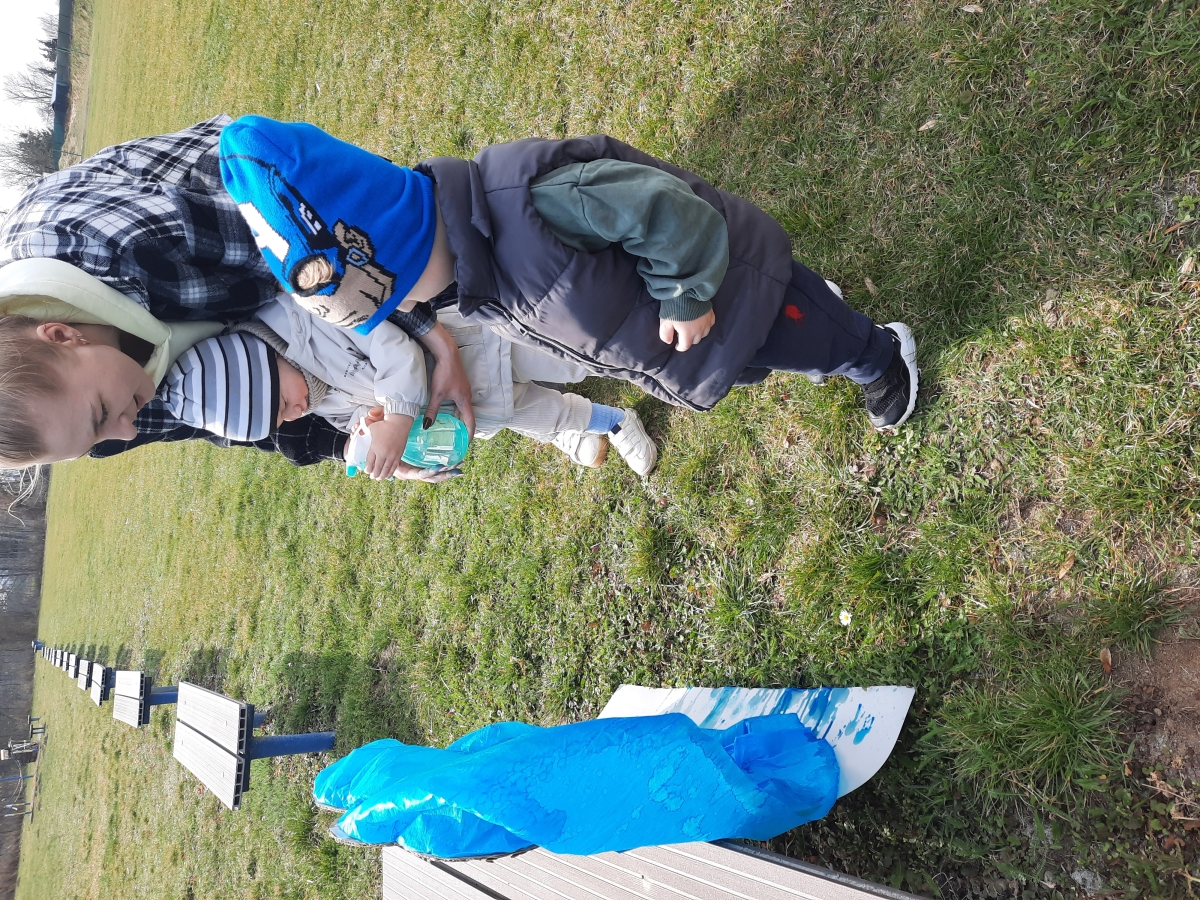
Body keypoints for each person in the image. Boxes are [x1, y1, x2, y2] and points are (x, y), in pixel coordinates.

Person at [219, 115, 919, 435]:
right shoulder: (478, 278)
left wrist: (685, 295)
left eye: (398, 299)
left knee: (807, 334)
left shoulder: (529, 206)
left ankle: (878, 354)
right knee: (760, 356)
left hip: (720, 288)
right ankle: (814, 328)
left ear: (405, 249)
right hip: (689, 340)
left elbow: (663, 209)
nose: (413, 311)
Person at [0, 116, 477, 472]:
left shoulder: (126, 243)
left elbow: (316, 259)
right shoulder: (91, 410)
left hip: (261, 196)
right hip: (246, 276)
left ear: (62, 335)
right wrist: (352, 446)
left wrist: (433, 336)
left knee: (451, 267)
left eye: (103, 414)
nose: (125, 431)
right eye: (95, 442)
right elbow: (235, 410)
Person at [158, 292, 660, 478]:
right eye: (283, 419)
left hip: (479, 349)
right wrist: (374, 434)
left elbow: (392, 346)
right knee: (545, 416)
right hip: (476, 407)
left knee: (569, 360)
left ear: (265, 361)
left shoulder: (309, 319)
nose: (295, 413)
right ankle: (616, 421)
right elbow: (353, 416)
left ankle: (640, 348)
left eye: (282, 404)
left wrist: (397, 416)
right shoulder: (308, 396)